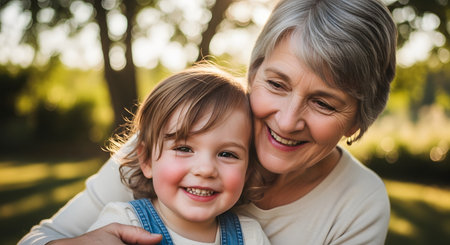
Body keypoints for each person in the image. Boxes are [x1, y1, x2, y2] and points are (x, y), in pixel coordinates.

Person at [19, 0, 397, 244]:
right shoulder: (173, 139)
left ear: (357, 121)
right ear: (254, 73)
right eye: (276, 84)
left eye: (324, 104)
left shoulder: (358, 204)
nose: (287, 120)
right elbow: (40, 238)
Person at [88, 65, 269, 244]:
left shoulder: (250, 236)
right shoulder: (123, 222)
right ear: (146, 160)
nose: (205, 169)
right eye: (184, 149)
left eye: (227, 154)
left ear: (248, 169)